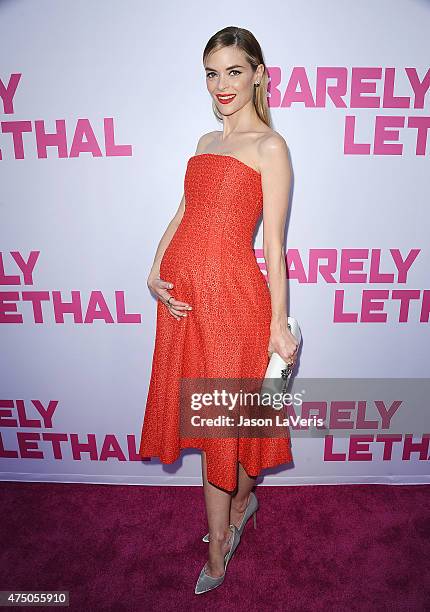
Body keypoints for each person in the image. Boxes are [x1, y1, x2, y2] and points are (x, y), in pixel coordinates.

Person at [139, 26, 298, 594]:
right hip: (185, 307)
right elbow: (184, 213)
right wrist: (155, 271)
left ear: (258, 73)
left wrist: (278, 323)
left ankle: (226, 536)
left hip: (235, 306)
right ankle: (225, 533)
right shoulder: (205, 143)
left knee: (230, 428)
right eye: (212, 72)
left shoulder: (269, 148)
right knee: (213, 428)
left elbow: (274, 246)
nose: (221, 84)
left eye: (234, 70)